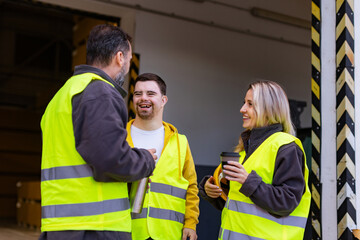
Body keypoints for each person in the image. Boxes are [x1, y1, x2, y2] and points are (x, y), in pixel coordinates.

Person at [39, 24, 156, 240]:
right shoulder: (100, 92)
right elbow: (111, 159)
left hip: (61, 226)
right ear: (120, 57)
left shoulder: (61, 96)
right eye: (129, 60)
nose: (129, 65)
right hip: (95, 227)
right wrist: (146, 160)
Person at [199, 81, 311, 240]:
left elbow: (287, 202)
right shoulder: (245, 150)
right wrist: (212, 192)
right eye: (244, 103)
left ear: (268, 109)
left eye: (250, 104)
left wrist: (248, 182)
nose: (242, 109)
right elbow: (237, 204)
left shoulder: (286, 147)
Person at [126, 73, 199, 240]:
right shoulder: (119, 138)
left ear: (164, 100)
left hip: (169, 233)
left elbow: (191, 188)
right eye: (138, 94)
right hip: (127, 231)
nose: (143, 98)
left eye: (150, 94)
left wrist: (190, 224)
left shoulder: (180, 142)